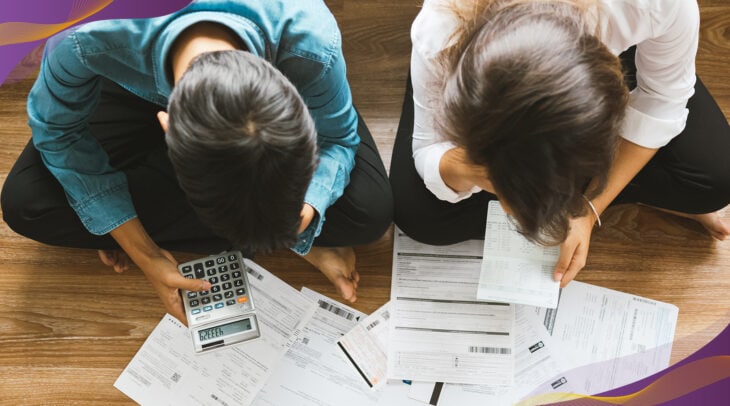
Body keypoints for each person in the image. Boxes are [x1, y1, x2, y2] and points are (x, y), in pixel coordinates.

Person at [1, 0, 393, 323]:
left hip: (223, 75)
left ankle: (258, 224)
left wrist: (302, 216)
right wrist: (145, 253)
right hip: (119, 75)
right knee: (26, 204)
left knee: (371, 212)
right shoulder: (85, 31)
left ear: (294, 107)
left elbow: (338, 137)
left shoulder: (310, 41)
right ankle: (257, 224)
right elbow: (57, 132)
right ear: (167, 130)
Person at [390, 0, 729, 287]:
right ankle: (647, 194)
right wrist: (483, 174)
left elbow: (664, 98)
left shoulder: (655, 5)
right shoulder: (442, 30)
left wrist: (588, 208)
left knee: (715, 178)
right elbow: (428, 147)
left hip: (609, 51)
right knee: (418, 213)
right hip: (470, 55)